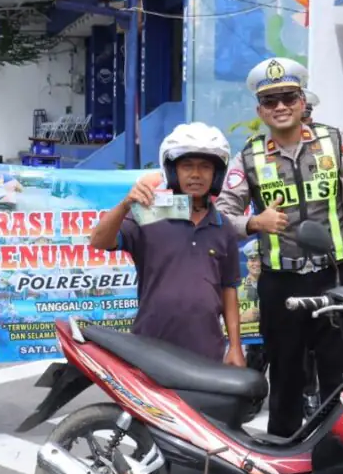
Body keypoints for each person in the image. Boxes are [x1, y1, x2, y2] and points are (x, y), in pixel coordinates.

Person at [217, 57, 343, 435]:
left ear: (302, 102)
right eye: (270, 101)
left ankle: (337, 452)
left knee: (340, 376)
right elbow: (222, 217)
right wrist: (254, 223)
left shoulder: (335, 142)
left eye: (288, 98)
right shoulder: (248, 156)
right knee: (285, 377)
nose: (280, 106)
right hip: (280, 283)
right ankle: (283, 453)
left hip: (335, 278)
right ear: (260, 110)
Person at [89, 123, 243, 367]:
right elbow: (99, 241)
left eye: (205, 167)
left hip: (206, 349)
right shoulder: (148, 216)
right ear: (172, 171)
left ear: (216, 174)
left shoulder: (223, 226)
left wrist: (235, 346)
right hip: (150, 345)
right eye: (187, 166)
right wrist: (126, 204)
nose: (196, 174)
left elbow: (229, 289)